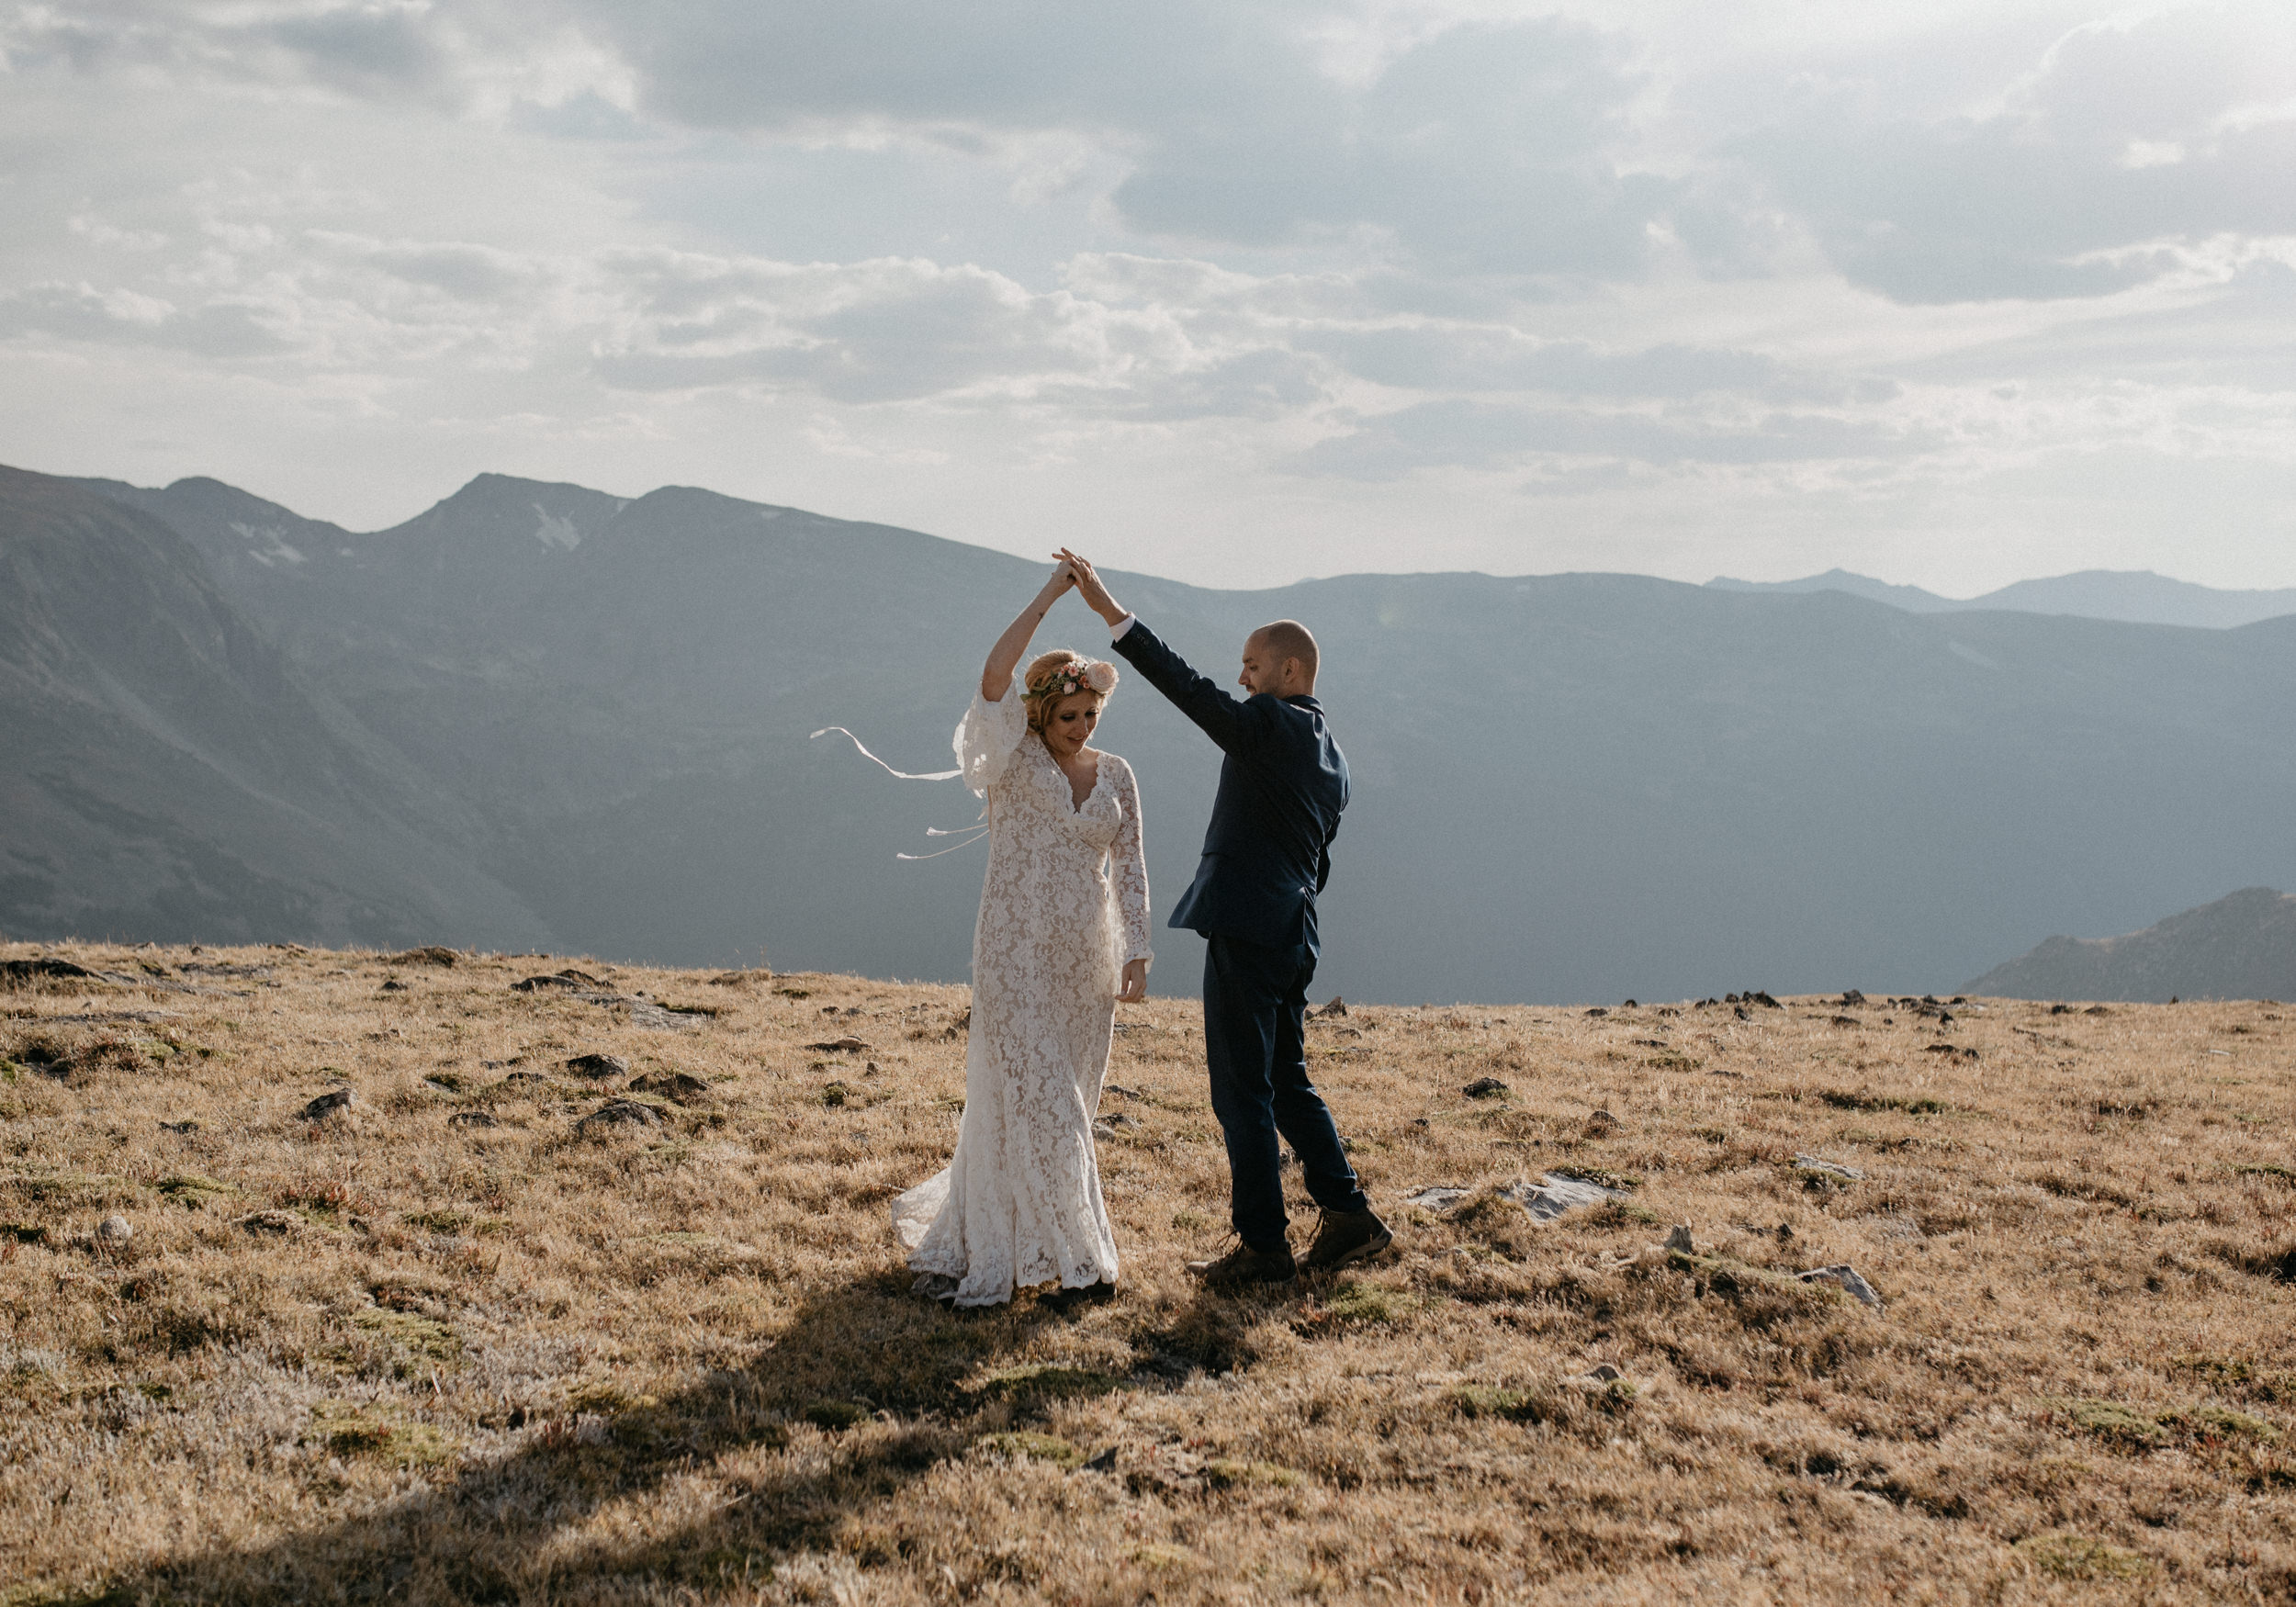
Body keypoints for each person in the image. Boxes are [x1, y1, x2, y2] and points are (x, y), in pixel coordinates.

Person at [1057, 548, 1392, 1287]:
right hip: (1293, 928)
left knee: (1240, 1088)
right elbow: (1318, 856)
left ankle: (1264, 1248)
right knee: (1287, 1078)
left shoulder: (1271, 727)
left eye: (1251, 665)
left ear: (1289, 673)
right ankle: (1348, 1216)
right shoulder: (1331, 755)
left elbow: (1191, 692)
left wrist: (1115, 617)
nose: (1241, 678)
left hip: (1248, 924)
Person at [892, 561, 1155, 1308]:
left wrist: (1136, 949)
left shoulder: (1118, 774)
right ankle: (1084, 1265)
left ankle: (1000, 1237)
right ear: (1040, 716)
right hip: (1013, 956)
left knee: (1053, 1102)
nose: (1080, 729)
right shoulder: (1009, 759)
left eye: (1090, 717)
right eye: (1068, 717)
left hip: (1085, 964)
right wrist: (1050, 598)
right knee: (1046, 1102)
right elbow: (994, 674)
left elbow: (1130, 865)